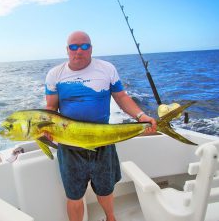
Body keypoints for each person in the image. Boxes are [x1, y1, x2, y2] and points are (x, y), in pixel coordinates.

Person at [45, 31, 157, 221]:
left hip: (103, 142)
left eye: (84, 46)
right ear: (67, 50)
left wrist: (141, 115)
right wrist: (46, 129)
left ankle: (110, 218)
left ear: (91, 48)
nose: (78, 50)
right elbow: (50, 108)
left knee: (105, 189)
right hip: (70, 146)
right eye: (73, 46)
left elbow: (121, 97)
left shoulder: (106, 68)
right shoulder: (55, 74)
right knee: (73, 195)